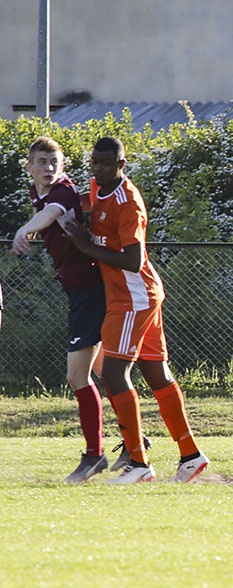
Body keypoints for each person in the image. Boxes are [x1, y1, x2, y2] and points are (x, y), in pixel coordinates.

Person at [63, 136, 208, 483]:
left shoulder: (128, 202)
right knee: (157, 375)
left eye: (105, 162)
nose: (97, 168)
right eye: (94, 162)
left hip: (133, 297)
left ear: (121, 165)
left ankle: (139, 465)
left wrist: (84, 245)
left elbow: (132, 259)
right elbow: (88, 206)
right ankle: (191, 456)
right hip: (140, 295)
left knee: (113, 374)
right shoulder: (98, 187)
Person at [13, 136, 110, 483]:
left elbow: (54, 212)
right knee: (105, 371)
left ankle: (94, 456)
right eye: (41, 161)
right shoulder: (39, 194)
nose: (48, 168)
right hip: (81, 291)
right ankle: (134, 442)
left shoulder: (61, 193)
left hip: (90, 293)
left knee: (77, 376)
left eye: (54, 162)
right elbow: (49, 215)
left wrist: (26, 228)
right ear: (29, 166)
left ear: (63, 166)